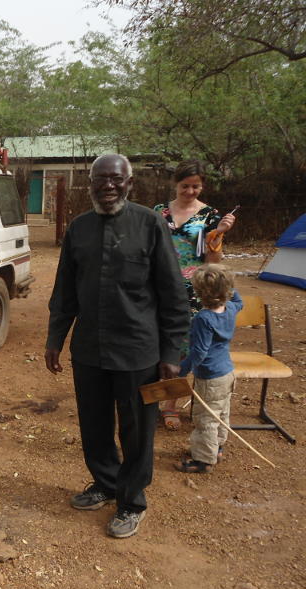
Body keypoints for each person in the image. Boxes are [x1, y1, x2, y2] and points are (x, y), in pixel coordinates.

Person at [44, 154, 190, 539]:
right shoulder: (79, 229)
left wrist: (171, 353)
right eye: (99, 180)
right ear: (89, 184)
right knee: (94, 425)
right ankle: (106, 483)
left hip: (138, 350)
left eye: (115, 179)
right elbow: (64, 292)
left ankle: (131, 501)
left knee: (137, 431)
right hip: (90, 349)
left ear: (129, 184)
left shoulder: (150, 224)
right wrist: (55, 339)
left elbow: (173, 294)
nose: (107, 186)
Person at [153, 160, 237, 430]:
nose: (190, 191)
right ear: (175, 184)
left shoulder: (210, 215)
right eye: (185, 186)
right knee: (155, 343)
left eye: (196, 186)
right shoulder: (159, 212)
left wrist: (219, 234)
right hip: (158, 287)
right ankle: (149, 396)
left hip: (193, 291)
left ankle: (171, 405)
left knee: (183, 347)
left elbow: (212, 259)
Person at [175, 264, 242, 473]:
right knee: (221, 413)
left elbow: (199, 352)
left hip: (210, 377)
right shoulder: (230, 307)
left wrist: (183, 369)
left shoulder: (204, 318)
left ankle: (203, 460)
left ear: (200, 292)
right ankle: (217, 448)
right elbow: (239, 300)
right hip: (227, 373)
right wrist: (227, 287)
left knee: (205, 419)